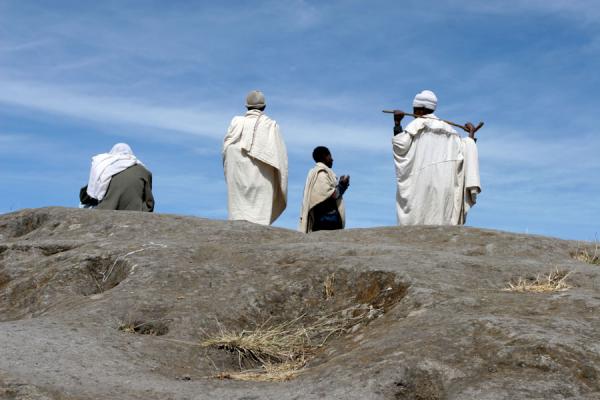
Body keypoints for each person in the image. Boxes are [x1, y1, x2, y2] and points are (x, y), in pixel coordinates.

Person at [391, 90, 480, 225]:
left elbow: (400, 146)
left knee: (419, 222)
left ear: (420, 110)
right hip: (445, 189)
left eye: (414, 110)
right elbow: (466, 152)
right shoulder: (452, 132)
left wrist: (397, 123)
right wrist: (471, 134)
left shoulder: (417, 124)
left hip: (421, 186)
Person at [222, 90, 288, 225]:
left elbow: (226, 148)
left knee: (239, 212)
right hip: (262, 178)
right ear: (264, 107)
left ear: (246, 106)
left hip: (238, 175)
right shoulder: (271, 125)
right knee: (260, 215)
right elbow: (281, 159)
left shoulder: (236, 122)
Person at [84, 143, 154, 212]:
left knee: (84, 205)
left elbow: (86, 196)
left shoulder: (104, 168)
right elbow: (149, 202)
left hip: (106, 211)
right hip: (135, 212)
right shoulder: (144, 171)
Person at [299, 146, 349, 233]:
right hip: (326, 220)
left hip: (324, 220)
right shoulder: (321, 174)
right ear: (324, 157)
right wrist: (342, 185)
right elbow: (332, 195)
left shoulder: (316, 173)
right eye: (330, 156)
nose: (332, 159)